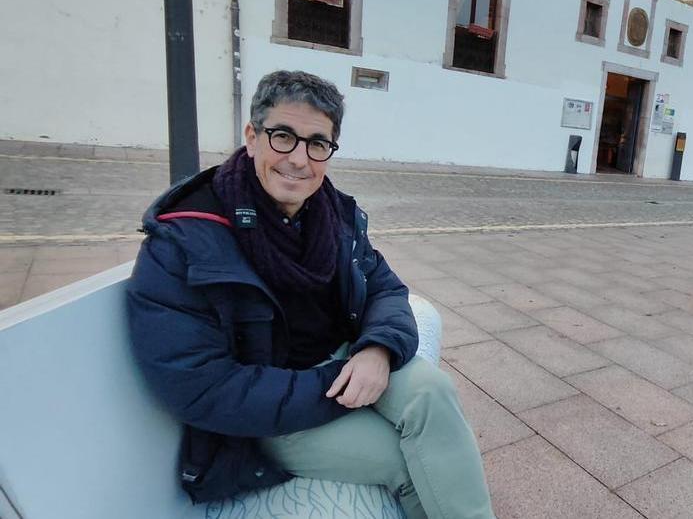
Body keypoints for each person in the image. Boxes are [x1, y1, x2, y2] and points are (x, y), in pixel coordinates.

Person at [128, 70, 494, 518]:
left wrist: (377, 349)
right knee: (412, 463)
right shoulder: (186, 239)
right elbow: (201, 388)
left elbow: (385, 286)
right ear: (252, 136)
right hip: (272, 414)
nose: (299, 159)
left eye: (317, 143)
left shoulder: (332, 213)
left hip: (343, 359)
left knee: (432, 393)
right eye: (283, 136)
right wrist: (336, 385)